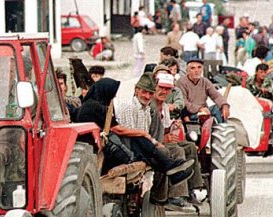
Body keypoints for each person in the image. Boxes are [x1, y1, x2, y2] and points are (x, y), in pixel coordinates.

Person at [77, 77, 194, 187]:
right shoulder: (95, 107)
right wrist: (143, 134)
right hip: (101, 152)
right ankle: (170, 167)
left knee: (140, 143)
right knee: (138, 138)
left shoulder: (92, 105)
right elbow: (117, 129)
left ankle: (172, 171)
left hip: (103, 148)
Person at [114, 73, 194, 204]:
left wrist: (155, 143)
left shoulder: (146, 109)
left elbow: (145, 134)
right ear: (136, 90)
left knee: (165, 150)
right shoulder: (128, 107)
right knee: (163, 153)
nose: (147, 96)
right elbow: (129, 134)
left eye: (150, 94)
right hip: (127, 147)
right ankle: (160, 192)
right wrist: (153, 142)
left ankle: (167, 183)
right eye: (144, 92)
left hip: (141, 145)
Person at [149, 72, 204, 207]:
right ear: (154, 87)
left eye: (167, 89)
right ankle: (176, 195)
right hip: (151, 144)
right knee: (177, 150)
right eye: (161, 88)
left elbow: (166, 128)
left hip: (161, 140)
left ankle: (194, 187)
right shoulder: (150, 106)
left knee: (190, 147)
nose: (164, 92)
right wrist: (164, 138)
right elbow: (146, 132)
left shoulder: (165, 108)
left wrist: (173, 127)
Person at [176, 58, 230, 123]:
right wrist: (199, 109)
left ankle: (221, 128)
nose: (196, 70)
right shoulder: (181, 82)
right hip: (189, 114)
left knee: (218, 108)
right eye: (193, 68)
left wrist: (224, 105)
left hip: (204, 112)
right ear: (187, 70)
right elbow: (183, 102)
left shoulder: (205, 81)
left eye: (199, 67)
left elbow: (216, 95)